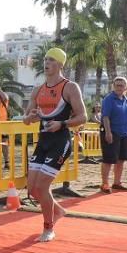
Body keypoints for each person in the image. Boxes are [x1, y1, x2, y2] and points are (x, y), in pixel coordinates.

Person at [23, 47, 87, 242]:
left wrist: (62, 123)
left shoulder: (69, 87)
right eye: (45, 59)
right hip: (43, 141)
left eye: (51, 59)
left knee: (42, 187)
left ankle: (48, 228)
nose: (46, 63)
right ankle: (57, 211)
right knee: (32, 189)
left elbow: (83, 116)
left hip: (60, 142)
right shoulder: (37, 90)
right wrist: (31, 117)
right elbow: (27, 120)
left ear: (60, 64)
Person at [100, 76, 127, 193]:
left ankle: (117, 183)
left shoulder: (125, 99)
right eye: (116, 85)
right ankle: (105, 184)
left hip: (124, 133)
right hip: (111, 131)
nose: (119, 87)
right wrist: (108, 133)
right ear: (113, 86)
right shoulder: (109, 99)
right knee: (108, 159)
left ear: (126, 87)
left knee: (121, 159)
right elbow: (105, 117)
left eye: (121, 85)